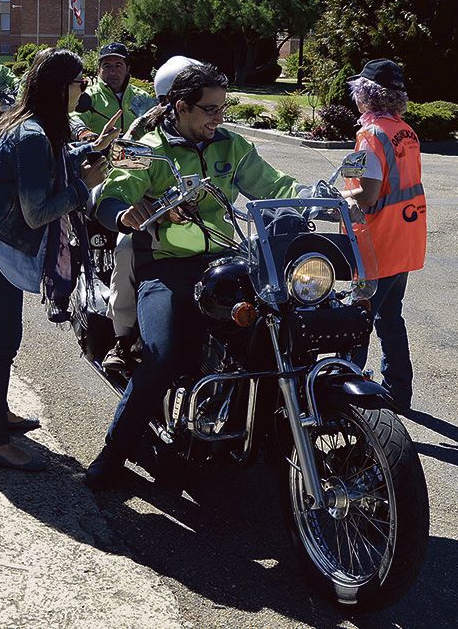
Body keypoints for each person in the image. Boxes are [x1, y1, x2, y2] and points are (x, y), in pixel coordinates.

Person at [86, 63, 303, 490]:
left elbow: (274, 185)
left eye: (222, 108)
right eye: (209, 109)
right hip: (167, 265)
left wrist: (318, 197)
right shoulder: (145, 146)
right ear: (181, 107)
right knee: (163, 355)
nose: (218, 118)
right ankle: (114, 453)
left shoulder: (232, 145)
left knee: (282, 333)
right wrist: (122, 212)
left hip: (228, 260)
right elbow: (113, 191)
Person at [0, 48, 120, 471]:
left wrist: (85, 154)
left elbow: (47, 166)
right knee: (4, 338)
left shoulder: (29, 124)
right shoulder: (32, 135)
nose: (84, 88)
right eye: (79, 82)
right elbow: (37, 212)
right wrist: (85, 186)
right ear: (58, 87)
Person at [101, 54, 201, 371]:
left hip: (204, 228)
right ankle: (123, 338)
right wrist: (133, 206)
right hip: (151, 223)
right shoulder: (144, 130)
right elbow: (121, 177)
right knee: (126, 250)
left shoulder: (216, 135)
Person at [345, 59, 427, 413]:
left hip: (377, 243)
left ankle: (346, 389)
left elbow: (367, 194)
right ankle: (398, 390)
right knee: (390, 316)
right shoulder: (404, 130)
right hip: (406, 236)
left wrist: (339, 199)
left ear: (364, 95)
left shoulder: (369, 134)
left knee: (356, 319)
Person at [71, 42, 155, 140]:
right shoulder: (89, 96)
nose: (113, 71)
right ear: (99, 70)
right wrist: (84, 133)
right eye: (107, 66)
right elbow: (73, 118)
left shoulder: (142, 96)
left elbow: (155, 126)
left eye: (118, 65)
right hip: (99, 154)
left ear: (127, 69)